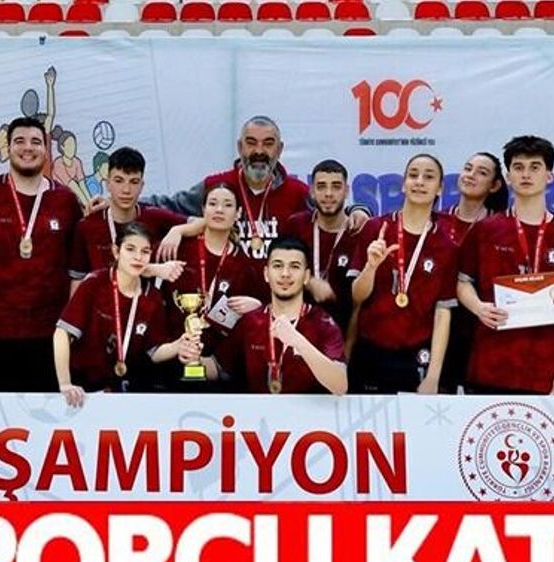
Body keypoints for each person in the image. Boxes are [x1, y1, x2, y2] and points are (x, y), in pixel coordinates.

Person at [457, 136, 554, 395]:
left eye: (535, 167)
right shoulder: (486, 230)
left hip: (547, 370)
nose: (526, 174)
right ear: (508, 177)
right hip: (490, 364)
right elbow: (462, 282)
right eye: (518, 167)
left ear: (549, 176)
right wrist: (478, 307)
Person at [0, 116, 82, 392]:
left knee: (49, 414)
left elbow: (78, 268)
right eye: (20, 141)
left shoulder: (66, 201)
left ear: (46, 149)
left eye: (36, 142)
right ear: (8, 147)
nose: (28, 148)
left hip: (51, 334)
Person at [144, 116, 371, 263]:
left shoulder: (297, 192)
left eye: (268, 144)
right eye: (251, 143)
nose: (259, 151)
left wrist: (358, 210)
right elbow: (164, 206)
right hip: (225, 297)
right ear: (239, 147)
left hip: (278, 303)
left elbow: (330, 209)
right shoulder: (215, 186)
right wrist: (119, 204)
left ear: (279, 150)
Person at [347, 153, 459, 394]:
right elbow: (357, 296)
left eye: (428, 177)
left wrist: (433, 377)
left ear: (440, 188)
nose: (419, 181)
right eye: (413, 175)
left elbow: (442, 313)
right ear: (403, 184)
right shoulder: (376, 229)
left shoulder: (446, 246)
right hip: (371, 350)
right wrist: (371, 267)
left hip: (416, 354)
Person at [54, 223, 189, 406]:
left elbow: (154, 351)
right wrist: (65, 383)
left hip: (126, 391)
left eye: (145, 251)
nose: (138, 257)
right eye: (130, 249)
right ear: (116, 251)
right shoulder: (95, 283)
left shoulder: (152, 297)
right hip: (83, 389)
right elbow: (62, 333)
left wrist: (177, 346)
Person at [191, 237, 347, 394]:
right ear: (266, 273)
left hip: (306, 410)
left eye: (294, 266)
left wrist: (297, 341)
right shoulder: (251, 321)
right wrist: (193, 360)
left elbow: (340, 385)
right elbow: (217, 369)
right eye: (278, 266)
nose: (285, 274)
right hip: (258, 409)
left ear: (306, 276)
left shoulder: (323, 323)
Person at [160, 184, 268, 386]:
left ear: (238, 214)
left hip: (218, 372)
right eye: (213, 203)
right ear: (203, 210)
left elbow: (267, 312)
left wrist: (257, 307)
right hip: (169, 365)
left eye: (227, 205)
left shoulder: (246, 266)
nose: (219, 210)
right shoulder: (178, 249)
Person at [68, 146, 193, 287]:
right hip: (103, 301)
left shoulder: (153, 216)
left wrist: (178, 230)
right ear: (108, 184)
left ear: (142, 185)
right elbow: (77, 282)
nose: (126, 190)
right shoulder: (87, 227)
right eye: (119, 181)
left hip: (145, 300)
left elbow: (202, 222)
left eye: (134, 182)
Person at [440, 152, 507, 392]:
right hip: (438, 321)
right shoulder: (437, 220)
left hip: (480, 323)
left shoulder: (500, 227)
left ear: (495, 185)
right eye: (468, 168)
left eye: (482, 172)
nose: (471, 175)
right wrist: (360, 209)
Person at [278, 159, 364, 331]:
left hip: (346, 330)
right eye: (321, 186)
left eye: (336, 187)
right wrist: (309, 281)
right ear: (312, 191)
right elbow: (278, 268)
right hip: (298, 329)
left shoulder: (359, 231)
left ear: (347, 191)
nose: (328, 194)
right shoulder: (296, 225)